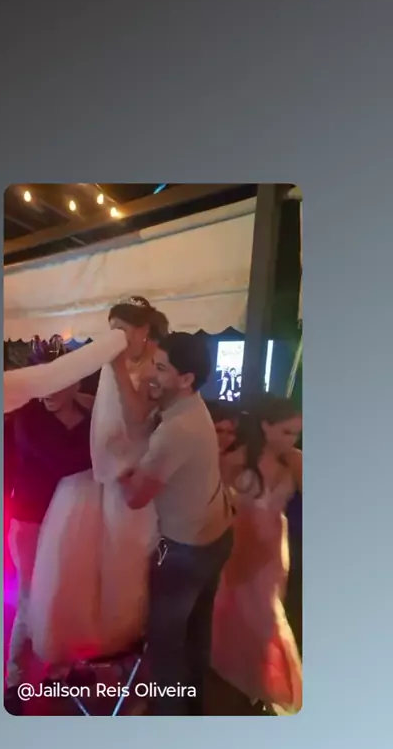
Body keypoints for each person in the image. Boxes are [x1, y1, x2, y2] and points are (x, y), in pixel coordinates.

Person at [27, 296, 169, 667]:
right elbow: (106, 404)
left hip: (128, 478)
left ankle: (120, 642)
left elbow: (138, 418)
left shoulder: (155, 366)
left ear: (142, 331)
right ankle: (82, 646)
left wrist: (118, 366)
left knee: (123, 561)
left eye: (121, 329)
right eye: (111, 329)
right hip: (94, 476)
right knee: (78, 564)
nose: (115, 336)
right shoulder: (110, 362)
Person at [116, 333, 233, 715]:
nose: (151, 373)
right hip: (216, 536)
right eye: (153, 362)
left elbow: (135, 497)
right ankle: (194, 711)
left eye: (161, 368)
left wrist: (116, 469)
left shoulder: (175, 430)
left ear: (186, 379)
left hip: (185, 550)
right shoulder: (191, 405)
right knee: (196, 633)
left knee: (165, 644)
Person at [4, 344, 95, 714]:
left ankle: (60, 669)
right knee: (31, 600)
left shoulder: (89, 415)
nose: (49, 390)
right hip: (31, 522)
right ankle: (15, 680)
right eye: (44, 381)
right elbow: (62, 459)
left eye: (58, 381)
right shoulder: (28, 417)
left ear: (76, 382)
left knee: (67, 595)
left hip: (73, 521)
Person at [211, 394, 303, 715]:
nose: (293, 440)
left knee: (265, 617)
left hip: (272, 551)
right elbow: (214, 501)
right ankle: (238, 680)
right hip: (237, 544)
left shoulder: (295, 461)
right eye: (287, 432)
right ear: (266, 426)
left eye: (297, 433)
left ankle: (264, 683)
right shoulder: (235, 458)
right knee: (232, 614)